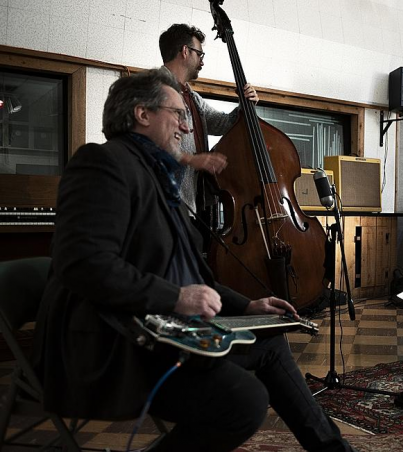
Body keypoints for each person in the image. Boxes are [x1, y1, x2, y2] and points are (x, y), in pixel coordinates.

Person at [32, 69, 354, 452]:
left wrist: (247, 305)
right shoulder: (102, 163)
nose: (186, 127)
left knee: (271, 342)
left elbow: (188, 275)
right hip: (115, 346)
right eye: (178, 114)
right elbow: (84, 264)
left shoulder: (157, 176)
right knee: (243, 401)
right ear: (142, 114)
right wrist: (178, 299)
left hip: (162, 333)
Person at [159, 23, 259, 214]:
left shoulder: (193, 97)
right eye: (200, 54)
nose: (202, 62)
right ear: (185, 51)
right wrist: (192, 159)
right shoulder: (154, 88)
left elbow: (224, 124)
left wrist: (245, 105)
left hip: (193, 201)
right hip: (166, 204)